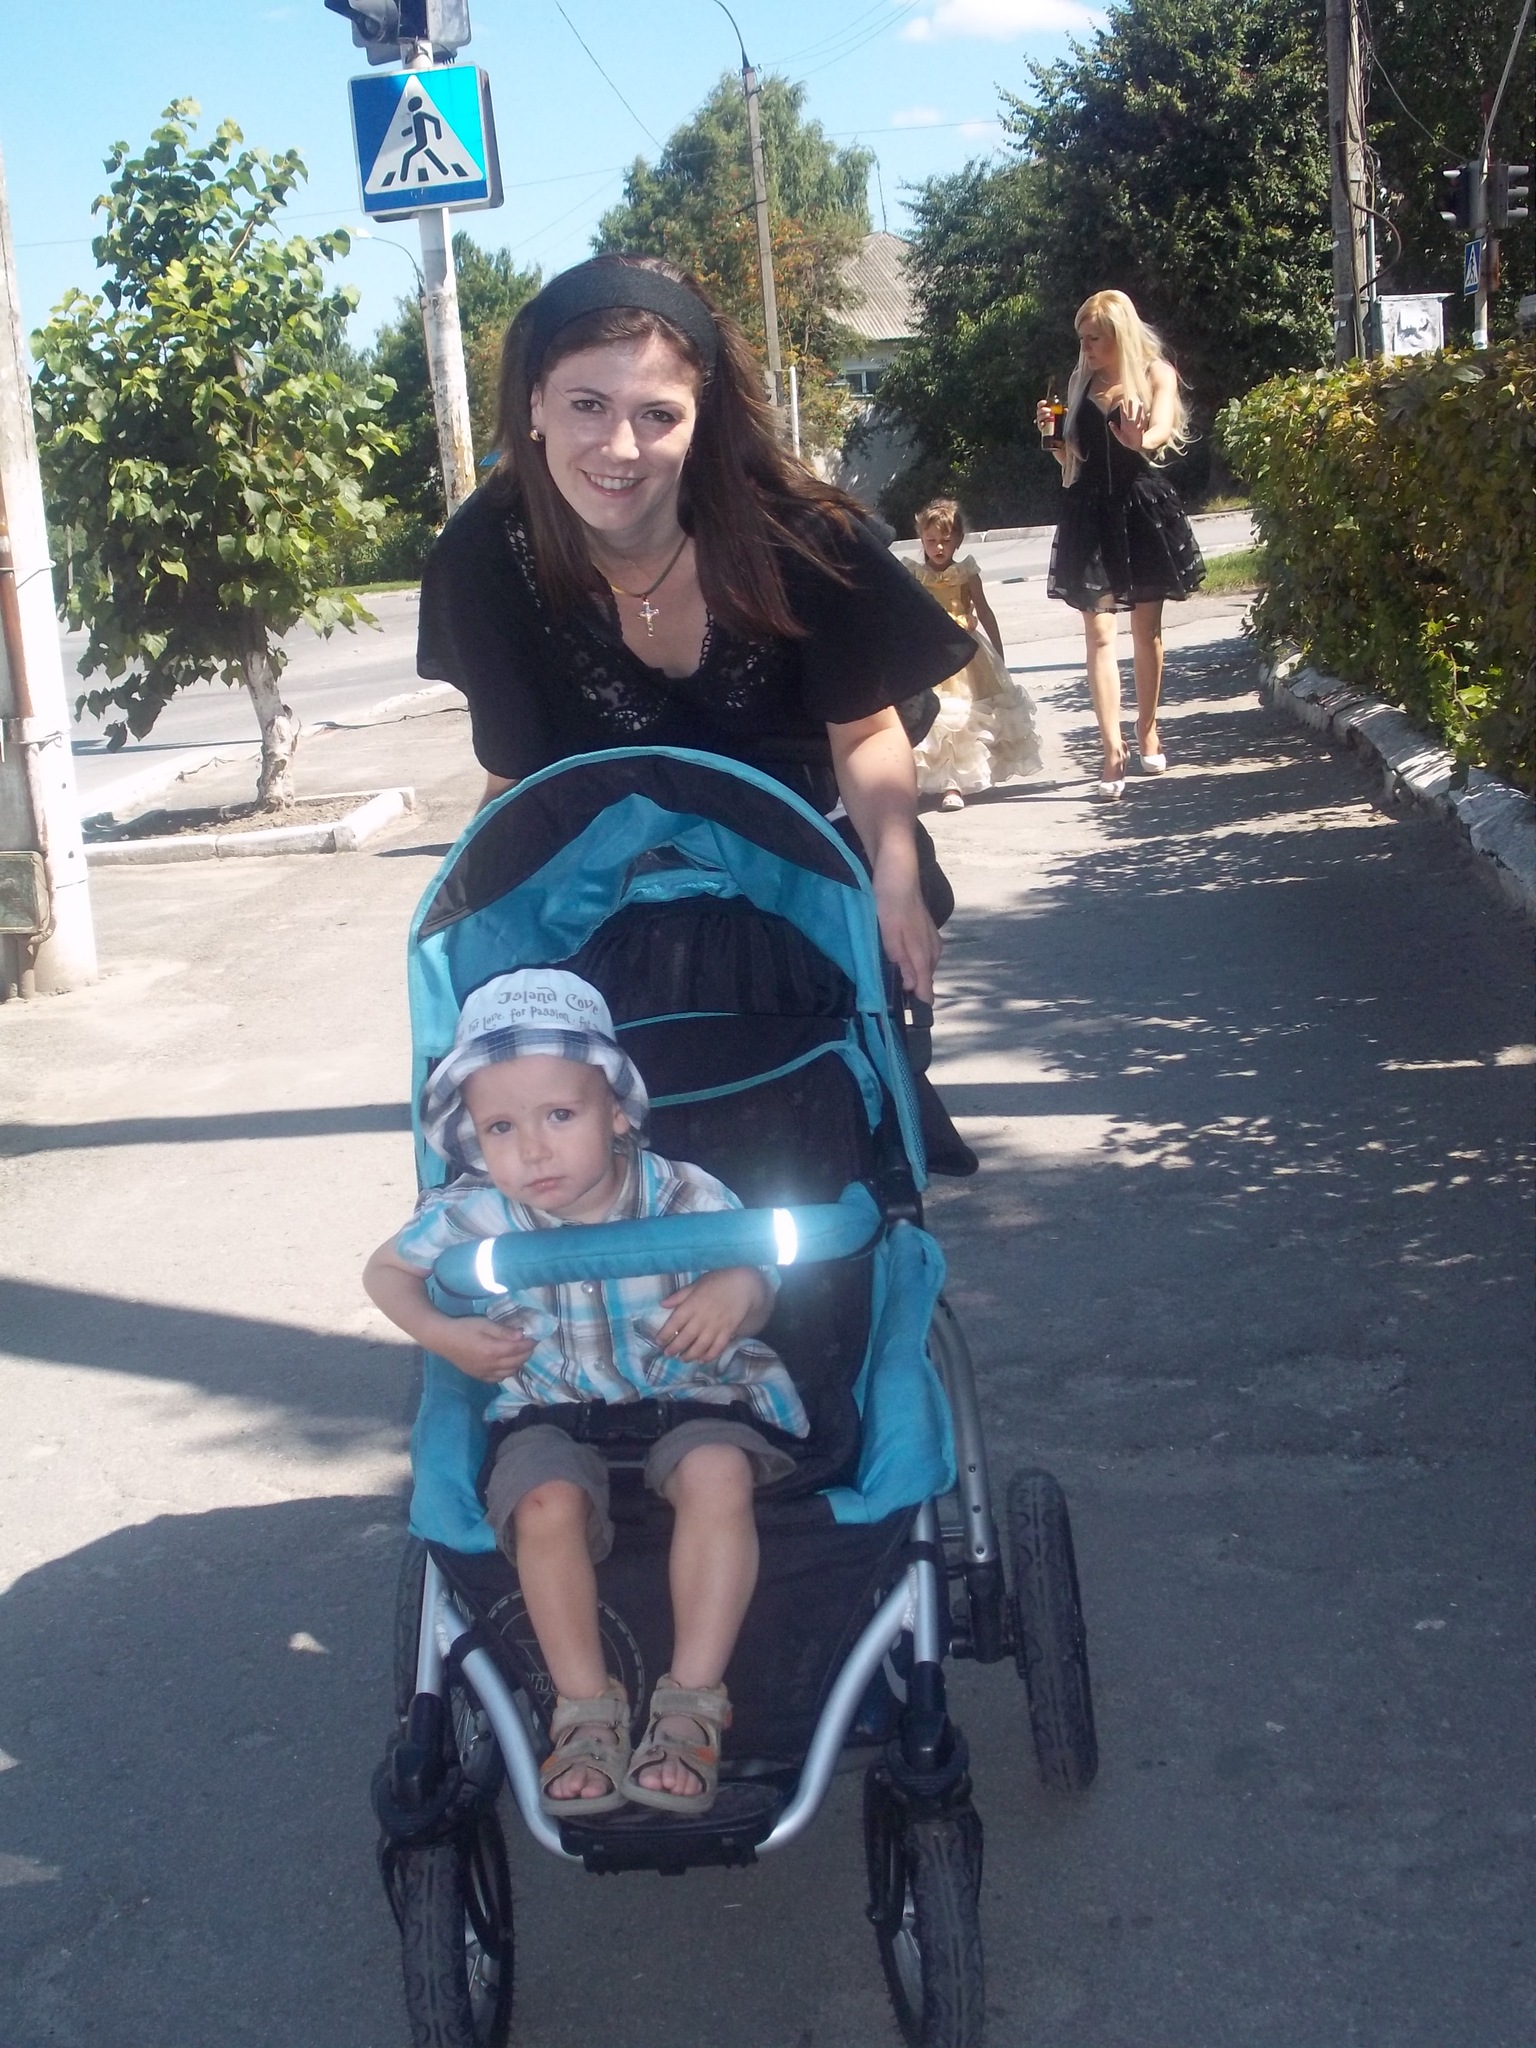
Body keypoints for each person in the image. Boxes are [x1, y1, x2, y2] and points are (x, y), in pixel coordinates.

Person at [416, 254, 976, 1025]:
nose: (620, 447)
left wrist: (896, 873)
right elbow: (518, 785)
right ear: (535, 401)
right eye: (588, 404)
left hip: (812, 884)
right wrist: (464, 938)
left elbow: (866, 734)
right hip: (609, 914)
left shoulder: (799, 537)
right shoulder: (486, 558)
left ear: (701, 418)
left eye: (657, 415)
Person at [365, 969, 809, 1819]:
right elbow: (385, 1273)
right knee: (542, 1503)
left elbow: (763, 1269)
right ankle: (585, 1713)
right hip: (547, 1412)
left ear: (616, 1113)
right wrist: (444, 1335)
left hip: (691, 1398)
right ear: (473, 1139)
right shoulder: (473, 1214)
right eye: (501, 1127)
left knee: (719, 1472)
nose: (532, 1151)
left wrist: (738, 1290)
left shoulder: (682, 1195)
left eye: (559, 1116)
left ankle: (689, 1706)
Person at [1037, 289, 1205, 799]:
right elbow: (1073, 458)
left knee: (1145, 631)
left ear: (1119, 335)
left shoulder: (1155, 374)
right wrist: (1053, 438)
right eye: (1082, 338)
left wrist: (1140, 440)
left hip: (1141, 507)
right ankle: (1112, 748)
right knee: (1099, 634)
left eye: (1094, 338)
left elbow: (1162, 429)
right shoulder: (1080, 381)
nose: (1085, 348)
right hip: (1090, 512)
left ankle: (1147, 727)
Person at [905, 499, 1041, 811]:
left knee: (962, 718)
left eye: (945, 540)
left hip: (964, 654)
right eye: (931, 540)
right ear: (921, 538)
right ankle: (921, 780)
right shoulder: (914, 574)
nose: (939, 547)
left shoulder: (966, 573)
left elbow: (985, 611)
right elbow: (905, 614)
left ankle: (953, 784)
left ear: (958, 540)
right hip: (929, 653)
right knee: (931, 717)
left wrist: (998, 651)